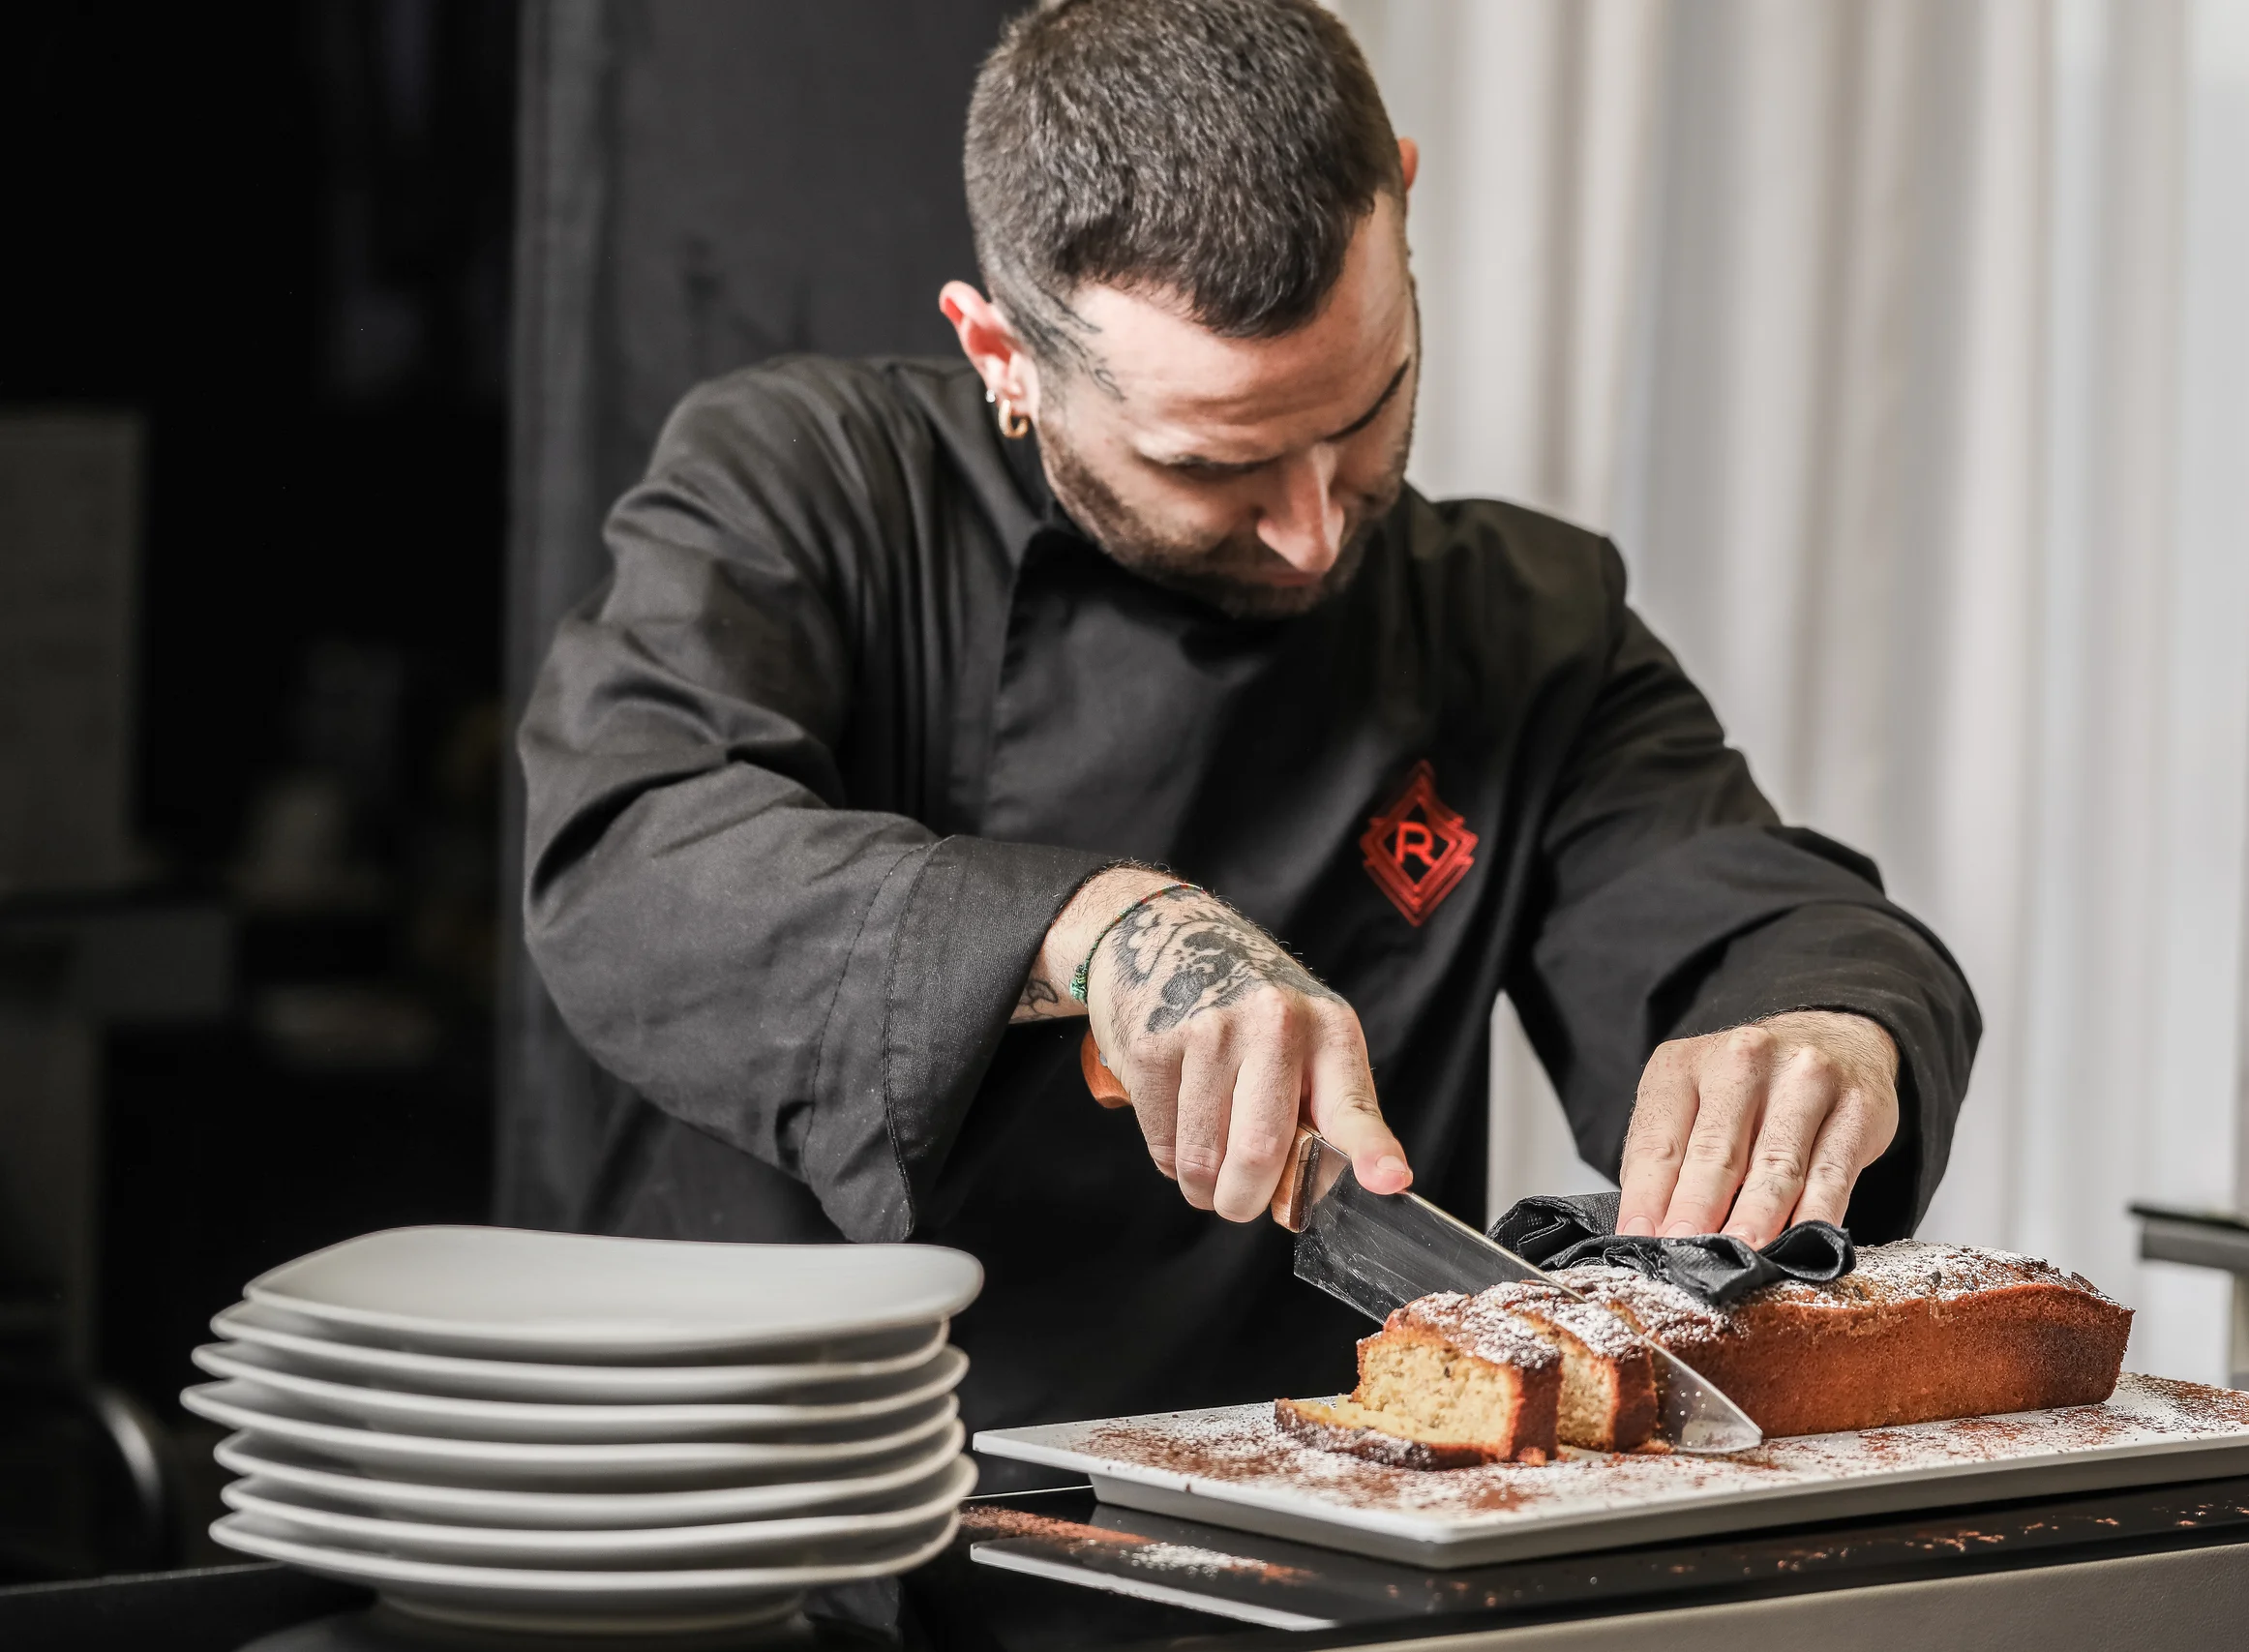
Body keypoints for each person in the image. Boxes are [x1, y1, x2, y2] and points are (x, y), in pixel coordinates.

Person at [518, 0, 1977, 1475]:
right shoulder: (803, 488)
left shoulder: (1519, 623)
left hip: (1291, 1515)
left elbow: (1756, 917)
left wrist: (1822, 1023)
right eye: (1213, 467)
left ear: (1406, 202)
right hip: (787, 1503)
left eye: (1367, 414)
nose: (1313, 530)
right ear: (1003, 352)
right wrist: (1093, 925)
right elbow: (631, 857)